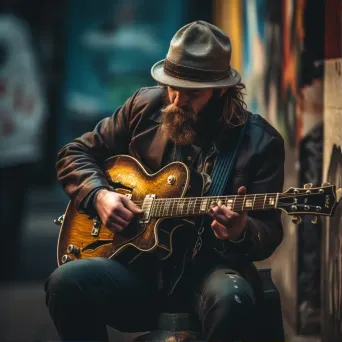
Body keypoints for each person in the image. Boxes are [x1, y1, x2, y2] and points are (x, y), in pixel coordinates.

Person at [45, 21, 285, 342]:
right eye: (172, 85)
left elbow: (268, 232)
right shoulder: (145, 107)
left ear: (222, 88)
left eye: (192, 93)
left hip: (209, 272)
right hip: (137, 270)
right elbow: (74, 153)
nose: (177, 99)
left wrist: (242, 231)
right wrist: (100, 196)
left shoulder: (260, 142)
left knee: (232, 298)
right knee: (65, 282)